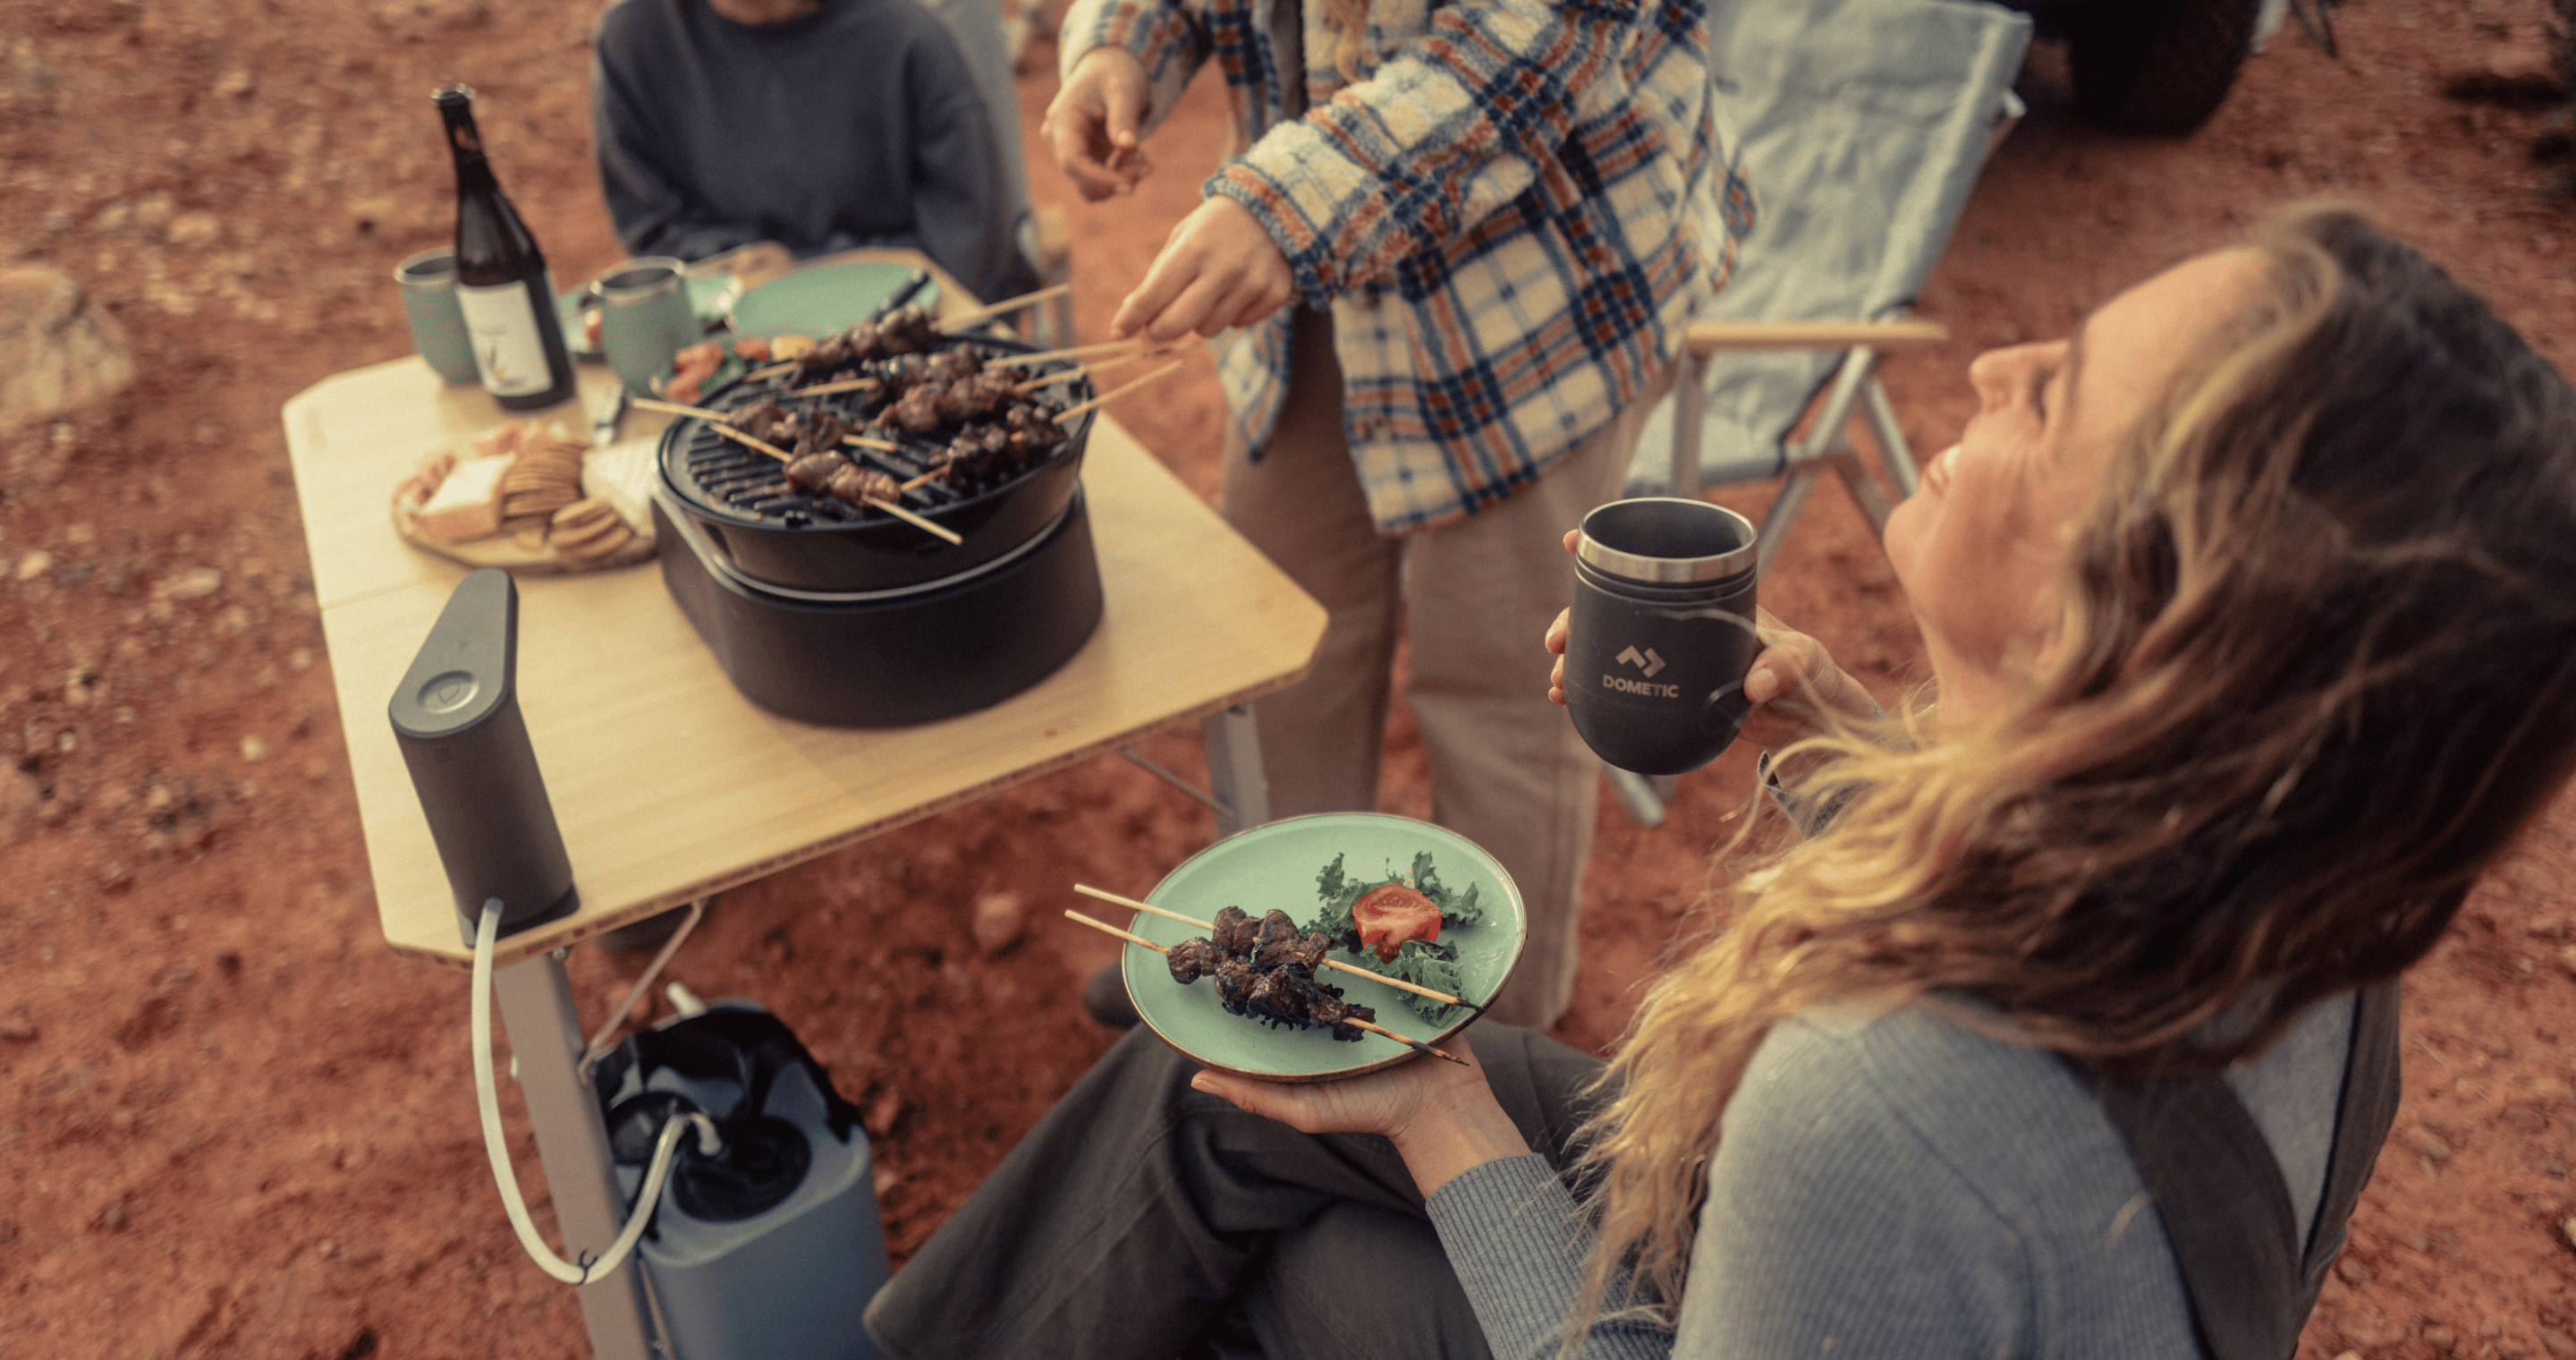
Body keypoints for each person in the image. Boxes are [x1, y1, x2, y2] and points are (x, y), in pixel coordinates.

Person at [860, 205, 2576, 1358]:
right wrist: (1847, 754)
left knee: (1281, 1244)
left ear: (2149, 629)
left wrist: (1448, 1119)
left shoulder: (1889, 1103)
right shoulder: (2322, 909)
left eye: (2053, 399)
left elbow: (1919, 1178)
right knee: (1209, 1095)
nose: (1987, 367)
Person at [1043, 0, 1754, 1031]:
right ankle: (1279, 959)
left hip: (1535, 292)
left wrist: (1284, 206)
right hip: (1313, 283)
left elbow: (1539, 39)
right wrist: (1121, 44)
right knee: (1281, 649)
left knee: (1504, 687)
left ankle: (1489, 1051)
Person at [590, 0, 1040, 304]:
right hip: (731, 322)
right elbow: (651, 225)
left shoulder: (905, 33)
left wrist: (809, 275)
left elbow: (971, 239)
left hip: (906, 312)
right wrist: (745, 266)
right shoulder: (635, 36)